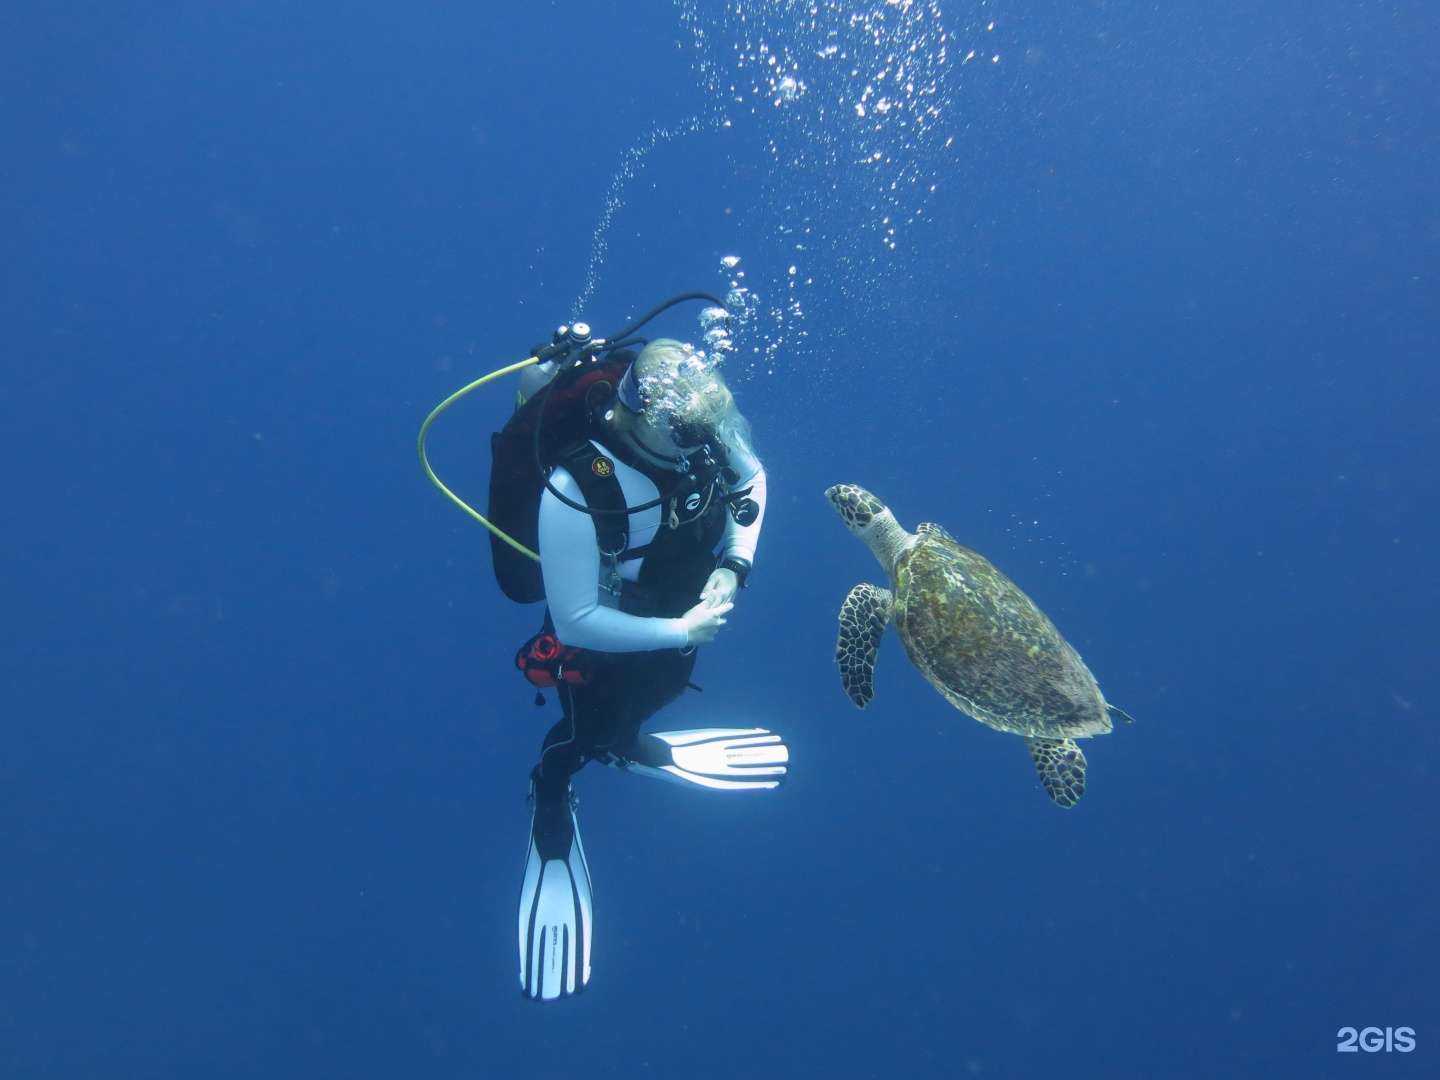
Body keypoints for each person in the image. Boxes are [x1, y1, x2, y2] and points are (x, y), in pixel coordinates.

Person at [516, 338, 788, 1001]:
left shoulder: (701, 432)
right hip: (606, 646)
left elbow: (753, 479)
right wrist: (680, 628)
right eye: (687, 436)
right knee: (588, 731)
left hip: (680, 621)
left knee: (655, 695)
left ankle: (627, 743)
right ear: (643, 413)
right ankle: (553, 790)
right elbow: (577, 618)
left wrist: (733, 564)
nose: (702, 448)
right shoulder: (576, 489)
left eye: (707, 432)